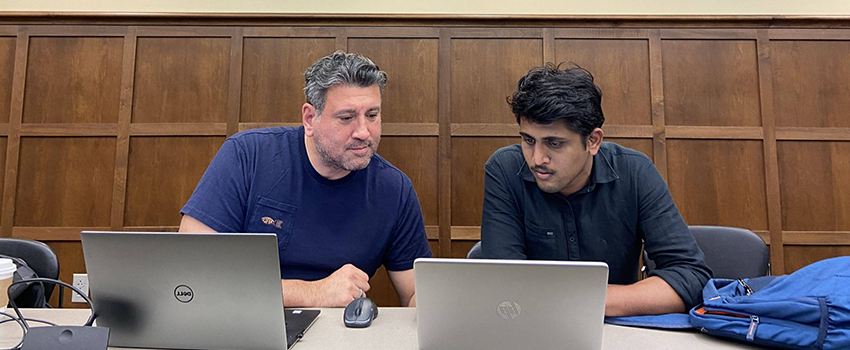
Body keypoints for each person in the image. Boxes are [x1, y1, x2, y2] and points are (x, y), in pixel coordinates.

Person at [179, 51, 431, 307]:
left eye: (372, 115)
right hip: (244, 322)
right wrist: (314, 293)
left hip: (340, 338)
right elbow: (190, 272)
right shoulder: (247, 156)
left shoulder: (394, 189)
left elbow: (413, 294)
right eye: (346, 118)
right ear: (310, 118)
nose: (363, 132)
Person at [481, 63, 711, 317]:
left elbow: (691, 277)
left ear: (592, 141)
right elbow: (502, 280)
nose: (537, 159)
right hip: (531, 327)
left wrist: (590, 300)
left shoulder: (635, 172)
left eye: (554, 143)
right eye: (528, 140)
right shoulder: (504, 169)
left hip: (616, 328)